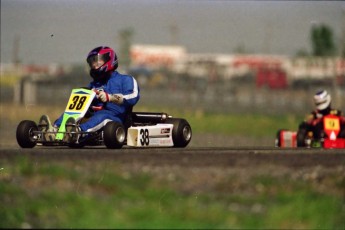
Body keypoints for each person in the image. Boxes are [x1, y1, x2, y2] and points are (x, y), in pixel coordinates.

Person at [39, 46, 140, 143]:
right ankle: (55, 131)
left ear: (109, 60)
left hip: (115, 117)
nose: (94, 65)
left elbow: (133, 97)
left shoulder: (126, 79)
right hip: (93, 115)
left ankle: (78, 132)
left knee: (102, 115)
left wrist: (110, 97)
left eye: (97, 61)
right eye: (92, 62)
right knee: (72, 112)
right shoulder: (94, 84)